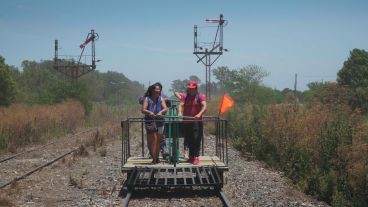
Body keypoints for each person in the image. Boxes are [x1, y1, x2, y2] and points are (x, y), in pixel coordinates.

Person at [178, 81, 207, 165]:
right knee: (189, 139)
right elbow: (181, 105)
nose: (190, 90)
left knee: (196, 139)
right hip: (187, 121)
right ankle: (191, 156)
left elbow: (205, 106)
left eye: (192, 89)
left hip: (197, 121)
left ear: (196, 89)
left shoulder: (200, 96)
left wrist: (199, 114)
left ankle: (196, 156)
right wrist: (180, 112)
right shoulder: (185, 96)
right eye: (189, 89)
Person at [139, 82, 169, 160]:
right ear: (152, 90)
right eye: (156, 89)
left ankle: (156, 157)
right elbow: (143, 109)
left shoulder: (161, 98)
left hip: (160, 121)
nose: (158, 91)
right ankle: (154, 157)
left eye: (159, 90)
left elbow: (165, 108)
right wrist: (149, 112)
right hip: (150, 121)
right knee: (152, 139)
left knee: (159, 139)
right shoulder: (147, 98)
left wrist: (161, 112)